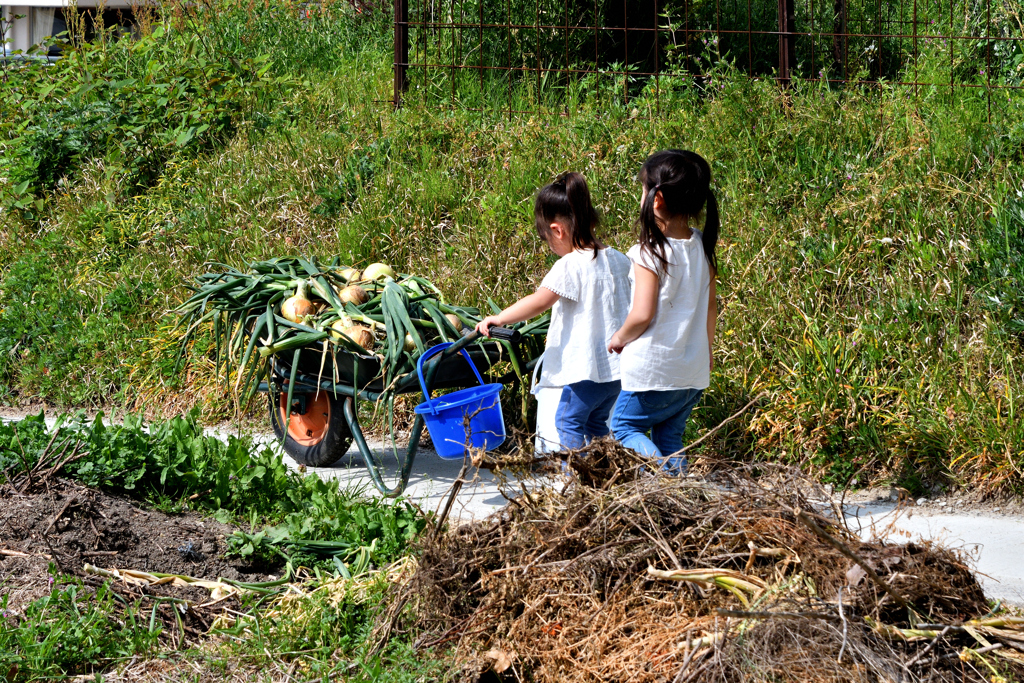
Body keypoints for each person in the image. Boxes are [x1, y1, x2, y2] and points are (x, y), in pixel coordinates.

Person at [477, 172, 631, 450]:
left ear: (557, 230)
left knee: (567, 422)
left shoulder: (571, 264)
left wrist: (499, 317)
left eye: (547, 239)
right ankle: (605, 475)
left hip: (587, 370)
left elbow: (539, 301)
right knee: (597, 424)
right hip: (617, 371)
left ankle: (575, 483)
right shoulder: (620, 259)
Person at [607, 150, 719, 475]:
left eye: (643, 189)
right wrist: (707, 351)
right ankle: (679, 505)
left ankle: (666, 484)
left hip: (653, 373)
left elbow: (642, 314)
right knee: (671, 436)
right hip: (693, 372)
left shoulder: (648, 253)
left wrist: (619, 337)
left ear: (656, 200)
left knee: (622, 428)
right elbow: (711, 307)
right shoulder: (702, 246)